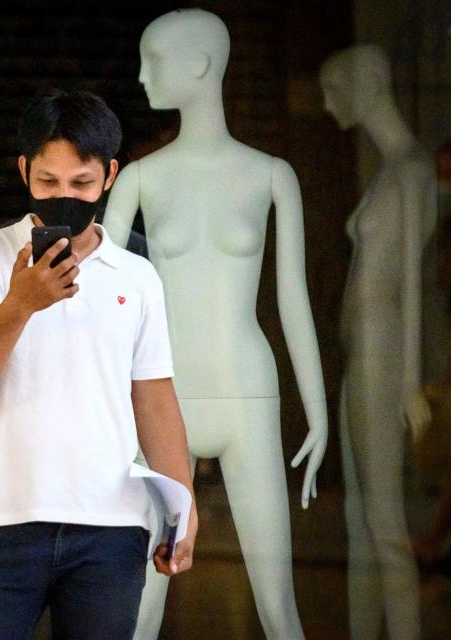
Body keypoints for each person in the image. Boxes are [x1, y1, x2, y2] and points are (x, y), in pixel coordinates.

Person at [0, 88, 198, 640]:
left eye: (80, 183)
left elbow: (154, 399)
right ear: (24, 171)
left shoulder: (137, 276)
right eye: (48, 182)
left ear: (109, 176)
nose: (64, 197)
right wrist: (20, 305)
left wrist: (184, 505)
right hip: (1, 524)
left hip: (110, 529)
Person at [103, 9, 328, 640]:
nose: (143, 76)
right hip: (159, 392)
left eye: (155, 61)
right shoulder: (139, 180)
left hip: (245, 390)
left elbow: (293, 302)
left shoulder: (272, 176)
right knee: (138, 609)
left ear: (200, 67)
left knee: (279, 606)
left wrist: (318, 410)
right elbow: (102, 301)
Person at [320, 43, 437, 640]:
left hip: (382, 350)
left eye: (335, 87)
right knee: (358, 521)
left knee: (384, 524)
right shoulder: (392, 170)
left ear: (369, 81)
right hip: (360, 354)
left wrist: (411, 380)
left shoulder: (413, 168)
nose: (326, 101)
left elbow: (413, 285)